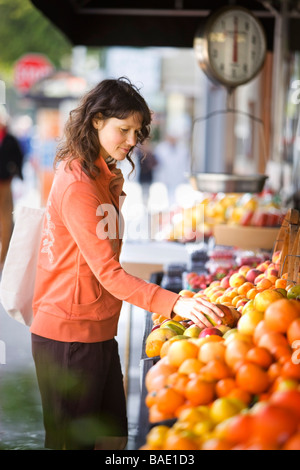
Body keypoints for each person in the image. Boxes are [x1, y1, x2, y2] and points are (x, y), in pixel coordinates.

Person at [30, 77, 224, 451]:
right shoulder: (77, 184)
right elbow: (109, 274)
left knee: (112, 441)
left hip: (100, 332)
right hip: (68, 336)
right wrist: (175, 302)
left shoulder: (104, 174)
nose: (133, 140)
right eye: (124, 129)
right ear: (96, 120)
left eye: (138, 131)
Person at [0, 106, 24, 268]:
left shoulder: (10, 139)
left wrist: (14, 171)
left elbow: (19, 157)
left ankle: (3, 258)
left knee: (6, 219)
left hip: (5, 183)